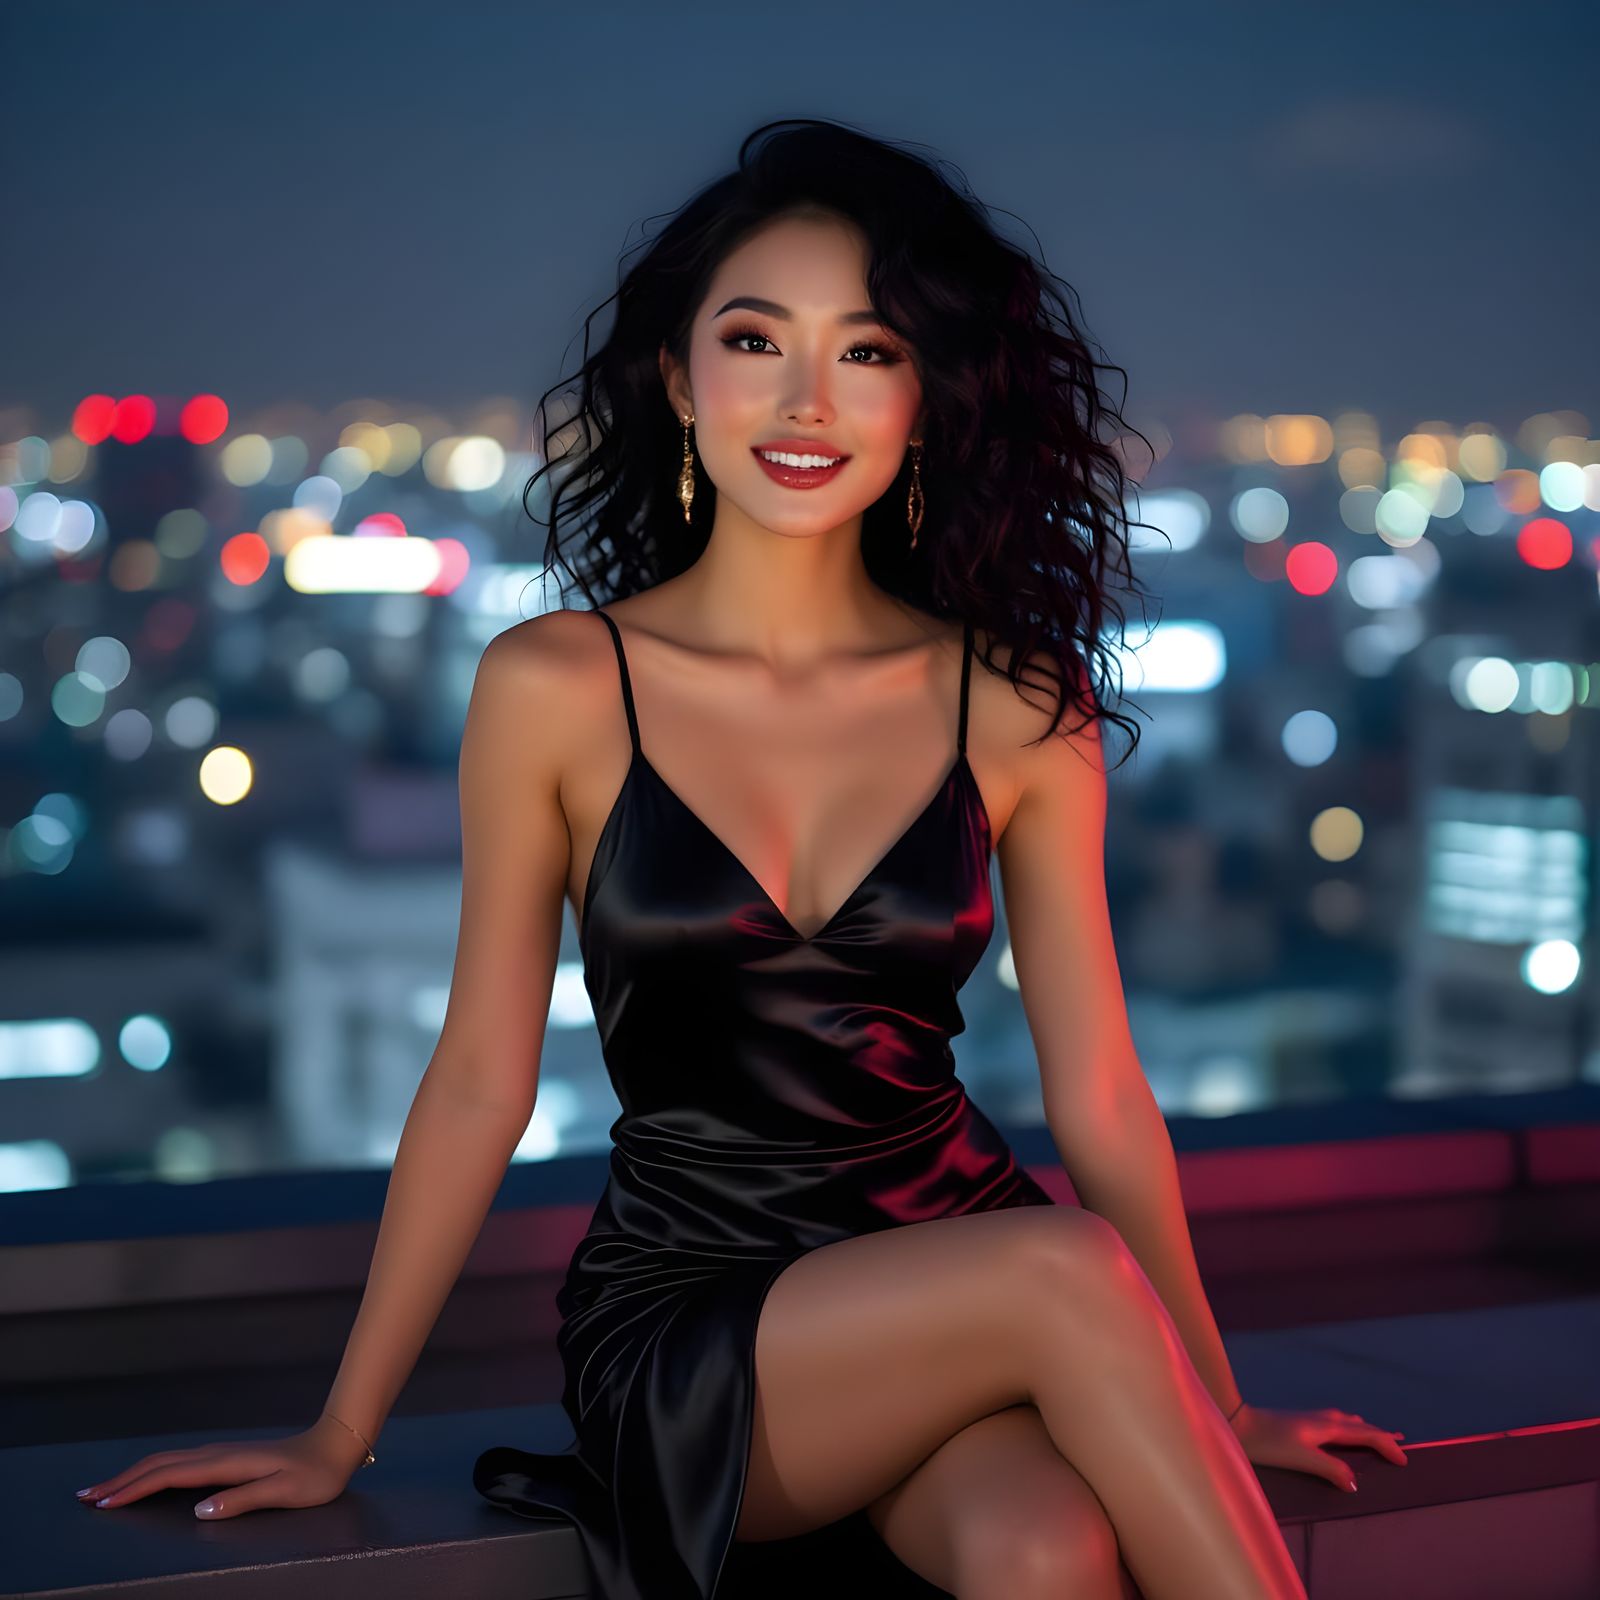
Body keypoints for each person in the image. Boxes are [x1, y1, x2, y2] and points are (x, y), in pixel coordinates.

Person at [76, 118, 1406, 1599]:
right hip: (703, 1312)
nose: (806, 397)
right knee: (1070, 1271)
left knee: (1047, 1549)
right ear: (677, 376)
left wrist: (1214, 1406)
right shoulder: (559, 686)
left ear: (928, 400)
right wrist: (340, 1430)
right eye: (757, 338)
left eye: (869, 349)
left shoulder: (1022, 704)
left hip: (965, 1267)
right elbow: (476, 1082)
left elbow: (1101, 1093)